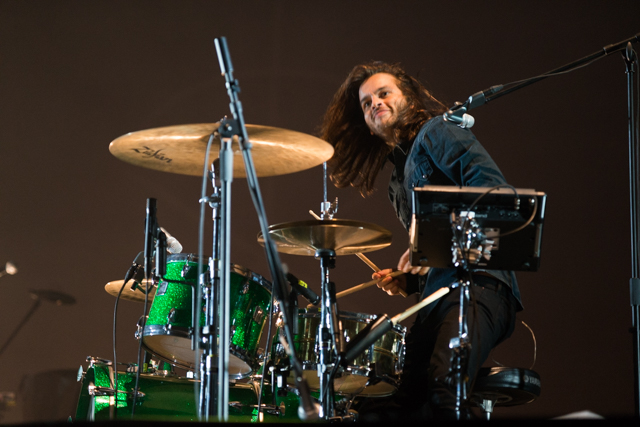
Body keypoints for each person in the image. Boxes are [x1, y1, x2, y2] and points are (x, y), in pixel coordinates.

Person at [320, 61, 522, 419]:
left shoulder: (437, 130)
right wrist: (411, 279)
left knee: (445, 392)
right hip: (436, 298)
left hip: (478, 289)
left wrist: (428, 233)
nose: (375, 103)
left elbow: (495, 192)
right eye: (366, 103)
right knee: (390, 408)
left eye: (384, 93)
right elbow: (437, 255)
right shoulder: (396, 183)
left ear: (409, 99)